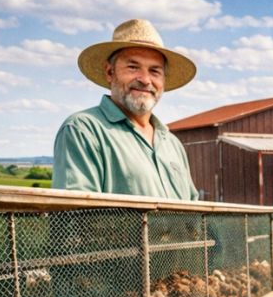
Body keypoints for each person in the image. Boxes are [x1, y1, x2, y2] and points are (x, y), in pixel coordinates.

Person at [53, 19, 199, 200]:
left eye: (155, 71)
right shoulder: (83, 130)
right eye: (133, 67)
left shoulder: (172, 143)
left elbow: (194, 212)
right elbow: (74, 217)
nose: (145, 80)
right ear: (109, 72)